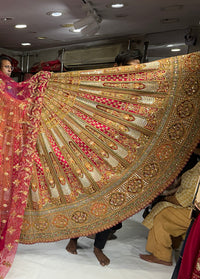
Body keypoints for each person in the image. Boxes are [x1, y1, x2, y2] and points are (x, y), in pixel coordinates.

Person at [65, 48, 143, 266]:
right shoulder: (101, 86)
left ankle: (99, 246)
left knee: (113, 202)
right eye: (131, 66)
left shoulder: (137, 92)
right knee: (85, 197)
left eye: (139, 66)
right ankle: (74, 238)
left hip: (119, 155)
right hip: (93, 152)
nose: (136, 70)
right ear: (118, 67)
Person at [140, 156, 200, 266]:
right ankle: (169, 245)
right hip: (189, 205)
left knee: (163, 215)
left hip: (194, 211)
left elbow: (185, 199)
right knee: (162, 208)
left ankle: (162, 256)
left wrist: (167, 198)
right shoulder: (198, 164)